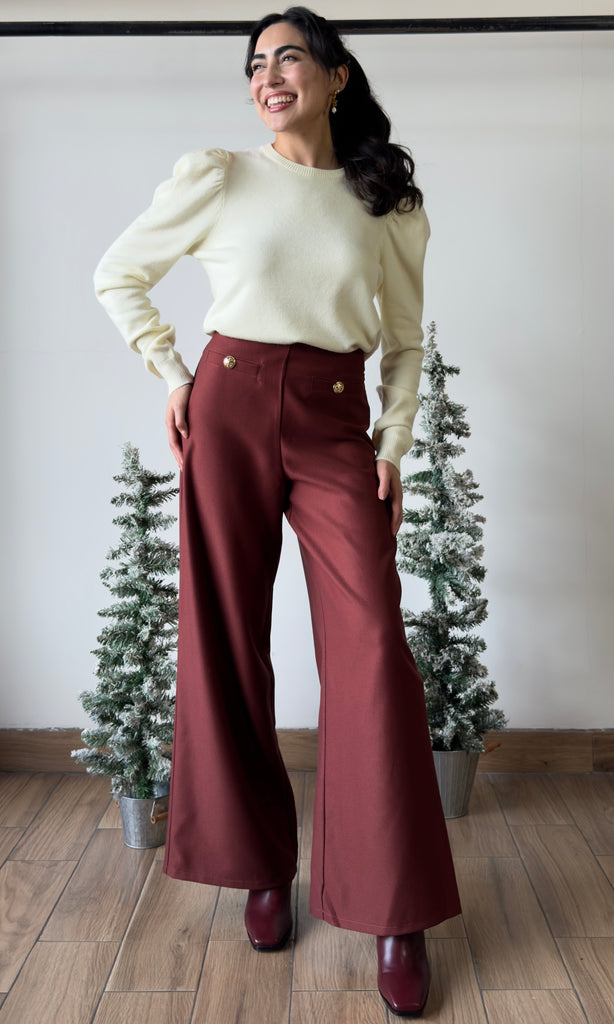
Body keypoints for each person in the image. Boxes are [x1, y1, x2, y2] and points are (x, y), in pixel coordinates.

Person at [94, 6, 461, 1016]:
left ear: (336, 76)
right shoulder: (218, 176)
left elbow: (404, 342)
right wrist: (173, 374)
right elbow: (118, 274)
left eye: (288, 57)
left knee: (371, 648)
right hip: (228, 404)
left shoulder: (383, 201)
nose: (268, 76)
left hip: (336, 417)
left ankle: (392, 908)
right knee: (223, 634)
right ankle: (260, 863)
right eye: (255, 63)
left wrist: (391, 446)